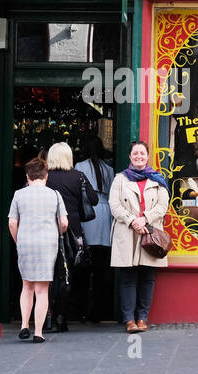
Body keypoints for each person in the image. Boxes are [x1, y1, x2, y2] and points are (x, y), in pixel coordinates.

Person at [110, 140, 170, 333]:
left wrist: (144, 219)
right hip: (127, 233)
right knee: (127, 277)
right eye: (135, 153)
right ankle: (129, 320)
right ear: (130, 156)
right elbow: (114, 205)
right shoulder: (120, 179)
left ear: (147, 155)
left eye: (142, 153)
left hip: (150, 233)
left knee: (147, 277)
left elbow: (163, 206)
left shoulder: (157, 179)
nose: (138, 156)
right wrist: (132, 221)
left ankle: (143, 317)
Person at [7, 157, 68, 342]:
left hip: (25, 243)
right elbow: (64, 223)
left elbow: (12, 223)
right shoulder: (55, 195)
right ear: (46, 176)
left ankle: (24, 324)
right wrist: (57, 230)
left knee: (27, 286)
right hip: (47, 244)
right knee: (42, 290)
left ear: (28, 176)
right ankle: (38, 332)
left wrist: (19, 240)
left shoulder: (19, 194)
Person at [44, 142, 98, 332]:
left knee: (46, 277)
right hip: (74, 233)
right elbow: (94, 200)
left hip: (47, 229)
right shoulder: (78, 176)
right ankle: (61, 318)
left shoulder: (45, 178)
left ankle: (46, 318)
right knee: (67, 275)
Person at [75, 137, 115, 322]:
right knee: (102, 267)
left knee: (84, 265)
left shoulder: (80, 166)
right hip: (105, 212)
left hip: (89, 213)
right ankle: (99, 310)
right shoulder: (109, 168)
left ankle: (82, 309)